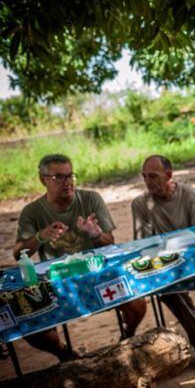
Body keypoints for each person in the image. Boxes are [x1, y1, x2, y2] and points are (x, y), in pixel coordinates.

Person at [13, 154, 146, 360]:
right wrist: (40, 236)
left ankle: (127, 337)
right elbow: (18, 253)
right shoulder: (32, 212)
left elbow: (109, 243)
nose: (67, 182)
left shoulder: (91, 199)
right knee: (30, 326)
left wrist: (95, 233)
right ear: (43, 180)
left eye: (70, 175)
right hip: (57, 282)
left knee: (137, 304)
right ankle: (65, 355)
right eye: (59, 177)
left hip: (97, 275)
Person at [131, 154, 195, 371]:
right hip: (168, 267)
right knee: (165, 287)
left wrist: (169, 248)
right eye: (144, 176)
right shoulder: (141, 204)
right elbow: (143, 246)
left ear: (168, 175)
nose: (148, 181)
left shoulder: (188, 194)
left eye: (153, 176)